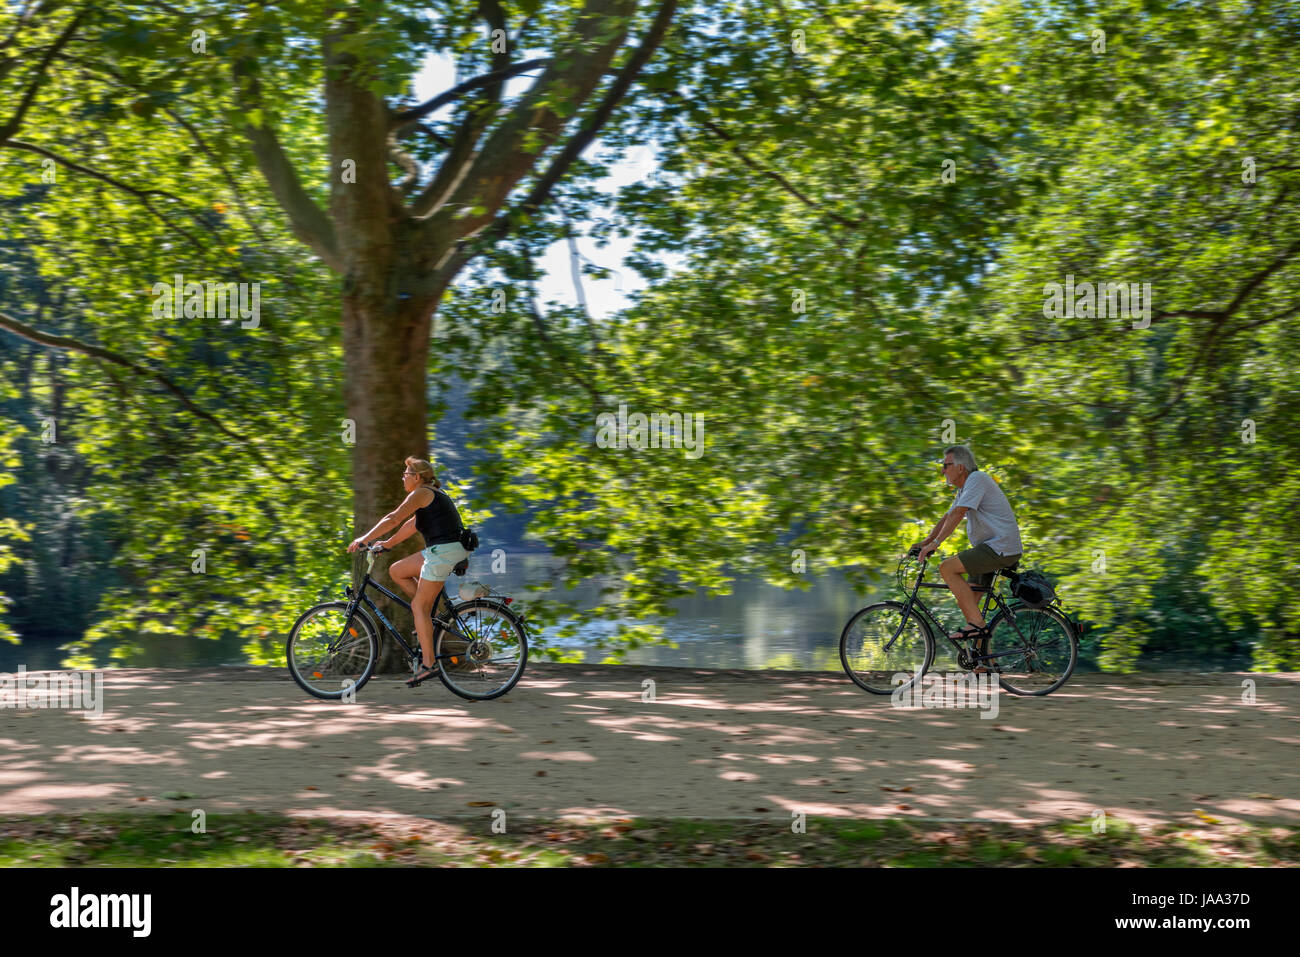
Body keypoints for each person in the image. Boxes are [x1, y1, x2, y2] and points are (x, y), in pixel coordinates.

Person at [347, 456, 469, 687]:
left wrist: (365, 538)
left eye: (405, 475)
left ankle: (428, 664)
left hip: (443, 552)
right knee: (397, 570)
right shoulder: (427, 495)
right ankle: (426, 618)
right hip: (442, 550)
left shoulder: (422, 493)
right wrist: (388, 544)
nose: (403, 478)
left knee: (418, 607)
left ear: (417, 477)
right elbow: (411, 525)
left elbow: (393, 518)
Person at [912, 445, 1022, 652]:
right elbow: (948, 515)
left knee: (946, 568)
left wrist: (935, 545)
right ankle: (982, 662)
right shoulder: (966, 487)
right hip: (992, 548)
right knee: (969, 604)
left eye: (946, 465)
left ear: (960, 467)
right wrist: (925, 542)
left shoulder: (977, 479)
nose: (943, 470)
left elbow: (959, 513)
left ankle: (977, 627)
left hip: (999, 548)